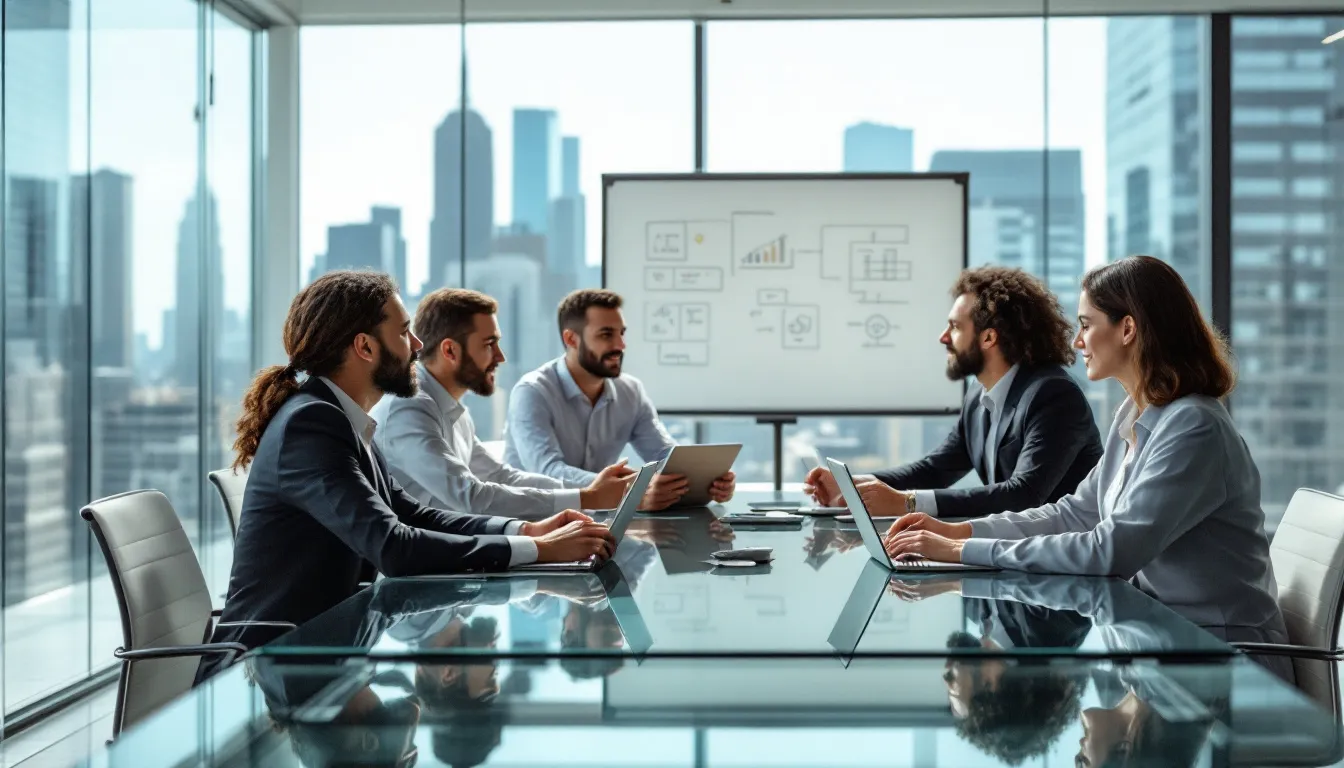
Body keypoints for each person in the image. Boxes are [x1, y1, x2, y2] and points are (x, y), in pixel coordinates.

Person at [884, 255, 1292, 674]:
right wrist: (960, 532)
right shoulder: (1135, 416)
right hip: (1165, 645)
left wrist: (962, 550)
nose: (1077, 343)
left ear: (1128, 328)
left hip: (1228, 663)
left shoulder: (1194, 427)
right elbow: (1074, 514)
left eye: (1086, 324)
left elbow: (1110, 549)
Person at [202, 271, 616, 677]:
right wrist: (540, 552)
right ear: (364, 346)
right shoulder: (312, 424)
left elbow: (412, 513)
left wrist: (527, 532)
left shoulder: (342, 419)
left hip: (321, 657)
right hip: (267, 669)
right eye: (404, 333)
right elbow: (393, 548)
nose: (417, 346)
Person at [805, 266, 1102, 519]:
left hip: (1066, 565)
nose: (943, 337)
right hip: (1017, 555)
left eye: (955, 327)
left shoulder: (1052, 394)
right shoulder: (979, 395)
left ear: (988, 337)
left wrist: (907, 503)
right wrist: (853, 485)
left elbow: (1024, 495)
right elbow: (935, 470)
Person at [371, 288, 635, 519]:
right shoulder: (408, 408)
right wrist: (586, 498)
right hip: (424, 568)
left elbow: (500, 477)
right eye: (489, 344)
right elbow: (470, 497)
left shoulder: (450, 407)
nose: (500, 357)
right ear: (450, 351)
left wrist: (586, 493)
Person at [503, 288, 736, 510]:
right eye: (606, 335)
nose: (620, 346)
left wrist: (705, 480)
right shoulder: (532, 392)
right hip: (533, 525)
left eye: (621, 333)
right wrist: (631, 489)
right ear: (571, 339)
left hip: (597, 521)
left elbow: (664, 456)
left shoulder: (630, 391)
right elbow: (547, 471)